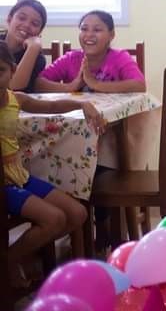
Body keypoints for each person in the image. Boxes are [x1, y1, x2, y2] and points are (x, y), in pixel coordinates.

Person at [0, 41, 104, 284]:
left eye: (1, 71)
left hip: (18, 174)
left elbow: (52, 105)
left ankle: (19, 258)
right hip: (3, 184)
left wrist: (82, 104)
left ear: (13, 72)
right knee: (54, 219)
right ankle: (8, 264)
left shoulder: (17, 99)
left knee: (77, 214)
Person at [34, 10, 146, 93]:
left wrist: (96, 84)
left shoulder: (120, 57)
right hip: (75, 121)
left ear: (111, 35)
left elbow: (140, 85)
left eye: (97, 30)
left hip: (112, 122)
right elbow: (38, 84)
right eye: (84, 29)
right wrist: (71, 87)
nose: (89, 35)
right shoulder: (70, 58)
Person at [1, 0, 48, 93]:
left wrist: (33, 48)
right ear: (9, 19)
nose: (26, 25)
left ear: (39, 32)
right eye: (21, 18)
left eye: (34, 24)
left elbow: (14, 87)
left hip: (20, 106)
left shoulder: (37, 58)